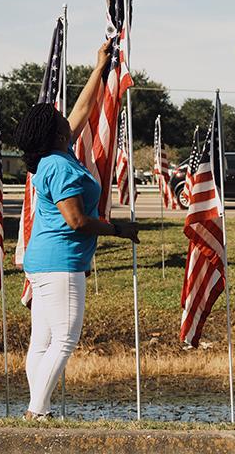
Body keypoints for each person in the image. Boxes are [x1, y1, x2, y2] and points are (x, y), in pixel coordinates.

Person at [15, 40, 140, 420]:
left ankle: (38, 409)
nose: (64, 120)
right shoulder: (63, 166)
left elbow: (82, 110)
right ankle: (37, 413)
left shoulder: (53, 157)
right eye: (58, 121)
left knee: (42, 342)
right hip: (61, 263)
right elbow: (76, 220)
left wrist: (100, 67)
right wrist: (120, 229)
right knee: (64, 339)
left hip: (41, 261)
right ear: (55, 135)